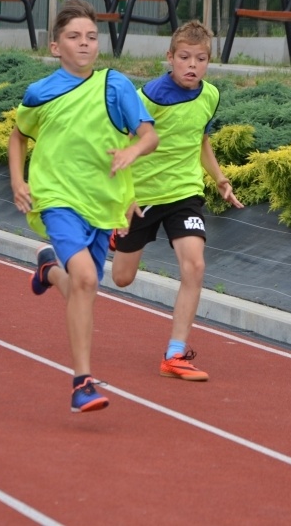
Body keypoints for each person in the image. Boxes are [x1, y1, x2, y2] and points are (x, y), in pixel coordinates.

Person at [8, 0, 159, 413]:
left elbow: (149, 135)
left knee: (82, 286)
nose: (85, 43)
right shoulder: (40, 93)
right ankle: (82, 383)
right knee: (88, 279)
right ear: (56, 46)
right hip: (56, 198)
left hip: (102, 204)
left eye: (91, 37)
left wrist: (132, 152)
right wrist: (18, 180)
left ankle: (49, 270)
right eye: (74, 37)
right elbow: (18, 135)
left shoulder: (115, 85)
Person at [110, 20, 244, 382]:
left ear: (209, 61)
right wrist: (123, 197)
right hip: (141, 197)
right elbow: (122, 147)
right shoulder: (146, 98)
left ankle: (175, 354)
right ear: (169, 57)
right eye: (184, 57)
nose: (192, 65)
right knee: (122, 278)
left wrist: (219, 179)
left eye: (200, 59)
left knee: (195, 265)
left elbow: (200, 140)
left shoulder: (210, 95)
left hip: (185, 193)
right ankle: (112, 237)